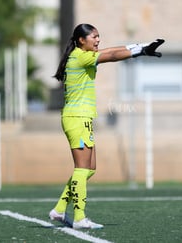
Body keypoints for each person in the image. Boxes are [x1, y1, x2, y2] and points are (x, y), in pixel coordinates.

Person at [49, 23, 164, 229]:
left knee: (89, 169)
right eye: (94, 37)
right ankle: (79, 218)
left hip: (81, 117)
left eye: (98, 36)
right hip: (77, 118)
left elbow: (110, 51)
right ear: (81, 40)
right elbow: (111, 56)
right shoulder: (80, 56)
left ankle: (59, 209)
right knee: (81, 169)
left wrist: (141, 47)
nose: (98, 40)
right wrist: (139, 51)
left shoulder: (82, 53)